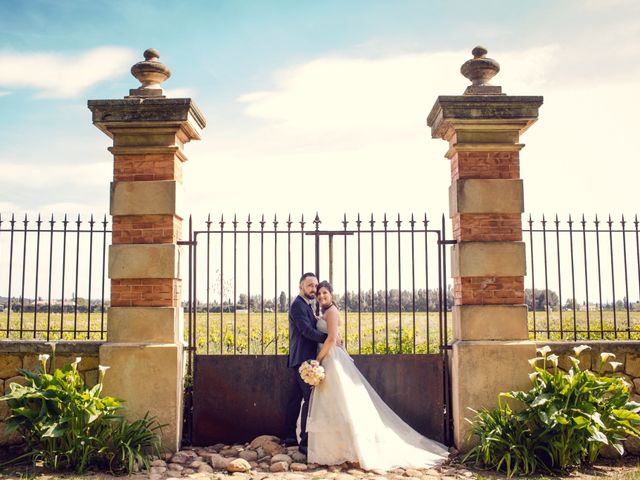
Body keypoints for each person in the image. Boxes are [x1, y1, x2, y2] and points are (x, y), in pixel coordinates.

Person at [306, 280, 449, 470]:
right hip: (330, 357)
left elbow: (332, 339)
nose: (322, 296)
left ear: (331, 294)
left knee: (342, 403)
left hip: (331, 358)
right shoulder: (325, 313)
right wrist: (318, 320)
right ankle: (337, 449)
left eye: (325, 293)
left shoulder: (331, 312)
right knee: (333, 403)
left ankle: (348, 449)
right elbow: (332, 333)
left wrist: (317, 359)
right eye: (319, 294)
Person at [284, 272, 328, 454]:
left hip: (302, 358)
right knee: (310, 400)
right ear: (301, 286)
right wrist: (329, 338)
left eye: (315, 285)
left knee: (295, 399)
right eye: (310, 285)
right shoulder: (297, 305)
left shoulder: (306, 305)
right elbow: (306, 331)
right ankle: (305, 444)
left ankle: (289, 438)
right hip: (303, 359)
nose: (314, 289)